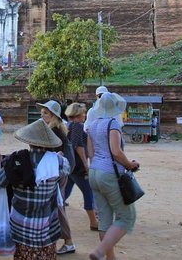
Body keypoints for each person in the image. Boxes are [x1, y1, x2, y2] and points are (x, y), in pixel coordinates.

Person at [0, 119, 70, 260]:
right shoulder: (58, 162)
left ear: (29, 141)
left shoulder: (15, 161)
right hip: (46, 225)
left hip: (21, 225)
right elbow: (65, 171)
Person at [85, 92, 140, 260]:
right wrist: (130, 165)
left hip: (94, 172)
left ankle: (110, 257)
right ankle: (100, 251)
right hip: (109, 173)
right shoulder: (113, 124)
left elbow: (91, 153)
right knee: (126, 217)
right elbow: (116, 152)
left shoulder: (92, 125)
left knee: (105, 219)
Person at [37, 100, 75, 255]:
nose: (42, 115)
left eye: (46, 113)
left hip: (57, 172)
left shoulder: (54, 130)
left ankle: (68, 241)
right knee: (55, 205)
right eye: (42, 113)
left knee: (58, 206)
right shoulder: (56, 129)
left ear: (53, 116)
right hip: (58, 171)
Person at [64, 102, 98, 231]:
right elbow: (78, 146)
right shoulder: (77, 126)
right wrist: (85, 164)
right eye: (83, 112)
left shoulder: (69, 125)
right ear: (78, 114)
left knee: (64, 194)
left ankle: (49, 216)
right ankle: (93, 222)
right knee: (88, 192)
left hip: (71, 165)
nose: (85, 114)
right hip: (78, 165)